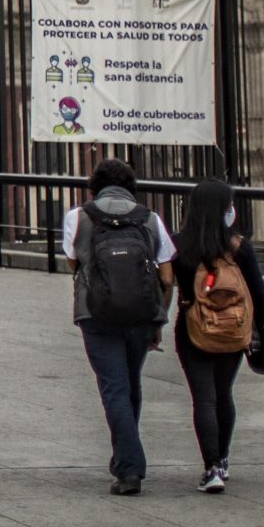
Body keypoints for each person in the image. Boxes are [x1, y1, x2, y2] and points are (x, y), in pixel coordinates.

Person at [61, 158, 177, 495]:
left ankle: (129, 468)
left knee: (114, 388)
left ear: (93, 186)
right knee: (130, 384)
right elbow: (167, 277)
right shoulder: (149, 218)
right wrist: (159, 317)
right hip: (141, 315)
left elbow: (72, 260)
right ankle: (126, 458)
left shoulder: (78, 216)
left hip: (96, 315)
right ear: (131, 186)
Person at [174, 177, 264, 494]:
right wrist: (260, 330)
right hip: (233, 329)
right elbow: (259, 295)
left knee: (203, 398)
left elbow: (166, 285)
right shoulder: (239, 248)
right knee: (223, 394)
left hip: (193, 328)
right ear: (224, 209)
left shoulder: (180, 246)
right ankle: (225, 458)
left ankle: (211, 467)